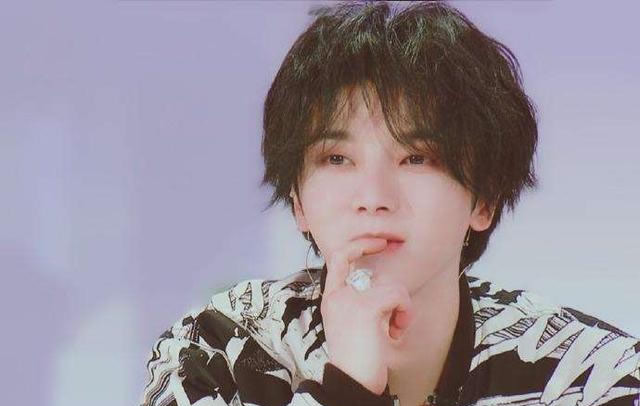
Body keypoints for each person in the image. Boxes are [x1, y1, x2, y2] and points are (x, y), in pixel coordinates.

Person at [139, 2, 640, 405]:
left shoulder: (593, 376)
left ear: (484, 199)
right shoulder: (218, 352)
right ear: (298, 201)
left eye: (416, 158)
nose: (374, 199)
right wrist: (349, 386)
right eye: (337, 159)